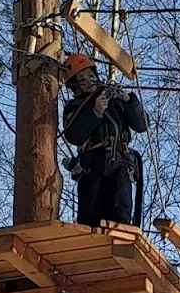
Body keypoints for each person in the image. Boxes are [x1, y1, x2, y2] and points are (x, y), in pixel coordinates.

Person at [62, 53, 147, 227]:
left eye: (91, 76)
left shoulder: (114, 100)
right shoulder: (76, 107)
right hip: (92, 167)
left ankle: (121, 236)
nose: (89, 81)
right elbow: (74, 135)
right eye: (82, 79)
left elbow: (142, 124)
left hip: (119, 163)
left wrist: (128, 100)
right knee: (90, 219)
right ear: (76, 87)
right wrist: (95, 113)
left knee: (120, 213)